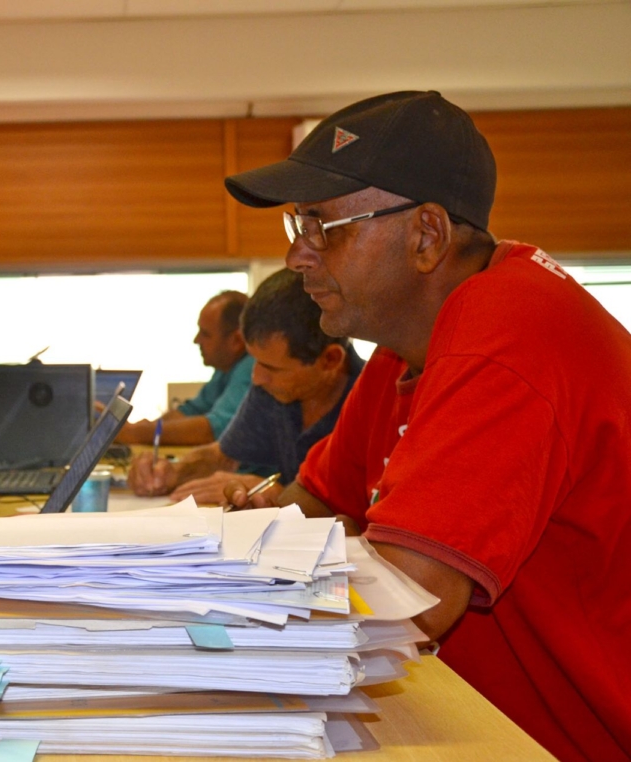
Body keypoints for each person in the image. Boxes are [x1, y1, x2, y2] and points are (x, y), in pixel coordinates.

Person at [221, 91, 631, 762]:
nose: (300, 256)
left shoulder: (506, 333)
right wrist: (245, 526)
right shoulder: (406, 348)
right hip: (471, 719)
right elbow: (321, 502)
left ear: (427, 236)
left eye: (326, 226)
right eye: (299, 226)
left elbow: (408, 602)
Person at [128, 268, 362, 504]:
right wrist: (172, 472)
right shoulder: (272, 391)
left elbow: (368, 510)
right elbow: (224, 455)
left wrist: (279, 494)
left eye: (271, 368)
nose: (256, 377)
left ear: (330, 361)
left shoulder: (373, 399)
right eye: (254, 360)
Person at [116, 290, 253, 446]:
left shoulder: (251, 367)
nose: (196, 340)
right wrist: (144, 429)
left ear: (236, 340)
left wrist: (137, 433)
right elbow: (189, 411)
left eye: (205, 334)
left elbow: (212, 431)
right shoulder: (225, 369)